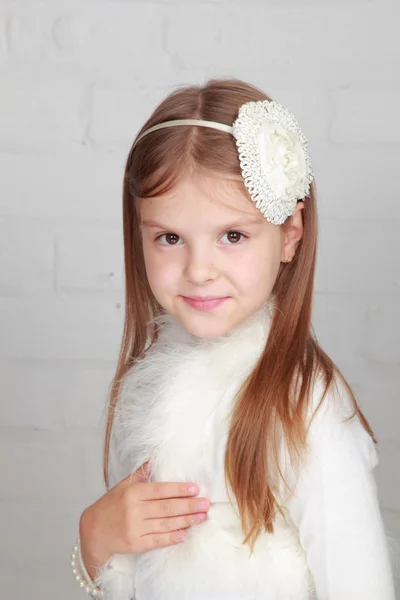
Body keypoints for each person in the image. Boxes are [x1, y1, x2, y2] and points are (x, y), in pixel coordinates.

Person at [70, 78, 399, 600]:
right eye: (170, 238)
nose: (199, 270)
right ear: (140, 234)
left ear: (290, 233)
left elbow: (362, 587)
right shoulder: (148, 390)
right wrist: (94, 544)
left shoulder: (303, 407)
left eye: (233, 236)